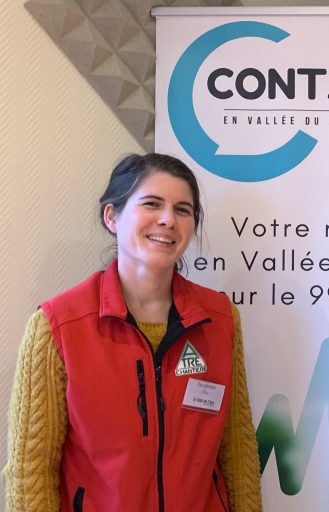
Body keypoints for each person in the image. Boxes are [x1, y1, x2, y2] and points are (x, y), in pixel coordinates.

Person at [4, 153, 263, 511]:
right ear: (112, 217)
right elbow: (31, 472)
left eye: (183, 210)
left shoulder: (219, 320)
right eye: (152, 204)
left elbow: (238, 452)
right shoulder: (58, 326)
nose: (168, 220)